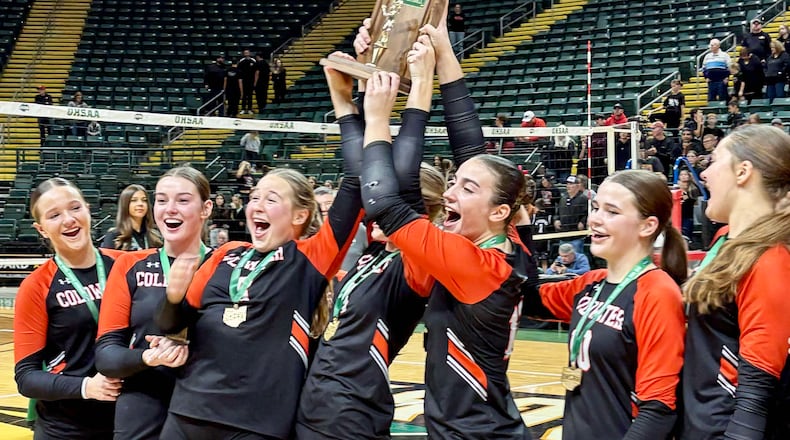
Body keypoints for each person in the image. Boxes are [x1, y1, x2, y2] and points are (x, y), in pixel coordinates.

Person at [355, 19, 534, 437]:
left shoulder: (472, 264)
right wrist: (443, 52)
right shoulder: (509, 243)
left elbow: (383, 202)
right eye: (453, 182)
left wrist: (376, 117)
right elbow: (474, 153)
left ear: (498, 211)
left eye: (466, 188)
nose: (451, 193)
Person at [153, 123, 365, 440]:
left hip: (256, 423)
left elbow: (356, 182)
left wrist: (354, 113)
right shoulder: (225, 254)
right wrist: (173, 298)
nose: (257, 205)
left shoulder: (308, 259)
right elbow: (172, 325)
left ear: (300, 215)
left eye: (271, 199)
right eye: (254, 197)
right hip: (189, 411)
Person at [296, 42, 446, 438]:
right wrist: (346, 93)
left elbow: (401, 179)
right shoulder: (376, 250)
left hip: (350, 415)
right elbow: (362, 169)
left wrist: (420, 85)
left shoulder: (418, 264)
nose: (374, 204)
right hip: (312, 402)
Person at [526, 170, 687, 439]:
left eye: (611, 212)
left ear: (647, 226)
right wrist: (519, 224)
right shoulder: (593, 282)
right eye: (596, 207)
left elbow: (658, 408)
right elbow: (527, 298)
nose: (595, 219)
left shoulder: (657, 292)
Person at [679, 125, 790, 439]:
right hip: (697, 423)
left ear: (743, 172)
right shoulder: (724, 239)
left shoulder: (772, 259)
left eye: (714, 161)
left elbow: (756, 392)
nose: (704, 174)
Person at [95, 166, 211, 440]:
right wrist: (148, 356)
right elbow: (106, 355)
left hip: (207, 403)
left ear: (205, 208)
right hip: (143, 402)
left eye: (183, 200)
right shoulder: (130, 265)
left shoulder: (224, 266)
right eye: (161, 200)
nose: (170, 209)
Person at [14, 178, 124, 439]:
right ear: (41, 229)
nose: (69, 220)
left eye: (75, 208)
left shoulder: (126, 265)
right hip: (66, 428)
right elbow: (27, 377)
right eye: (54, 215)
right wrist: (86, 387)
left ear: (88, 209)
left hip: (129, 421)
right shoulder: (37, 285)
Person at [101, 184, 163, 251]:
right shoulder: (114, 236)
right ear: (125, 205)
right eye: (134, 200)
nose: (140, 204)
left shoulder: (156, 238)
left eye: (144, 200)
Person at [553, 175, 588, 254]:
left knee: (576, 256)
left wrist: (583, 222)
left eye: (571, 184)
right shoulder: (563, 198)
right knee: (564, 257)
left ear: (577, 186)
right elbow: (557, 212)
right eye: (567, 184)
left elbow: (587, 213)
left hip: (576, 236)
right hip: (563, 235)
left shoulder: (583, 198)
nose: (568, 186)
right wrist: (556, 220)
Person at [676, 168, 700, 240]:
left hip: (687, 215)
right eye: (681, 175)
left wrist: (683, 191)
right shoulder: (675, 188)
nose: (683, 176)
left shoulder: (693, 188)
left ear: (689, 176)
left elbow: (691, 201)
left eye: (685, 174)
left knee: (685, 235)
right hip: (677, 214)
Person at [237, 49, 256, 115]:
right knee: (244, 96)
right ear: (243, 53)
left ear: (249, 53)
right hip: (244, 81)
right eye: (245, 52)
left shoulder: (253, 61)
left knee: (250, 96)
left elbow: (255, 71)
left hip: (251, 81)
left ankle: (249, 109)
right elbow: (239, 71)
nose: (246, 53)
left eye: (247, 52)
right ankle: (243, 109)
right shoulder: (241, 61)